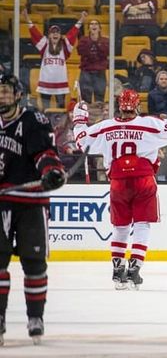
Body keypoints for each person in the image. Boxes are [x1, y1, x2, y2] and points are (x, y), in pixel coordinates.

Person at [73, 86, 167, 290]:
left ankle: (118, 270)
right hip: (143, 179)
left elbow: (81, 143)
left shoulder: (105, 127)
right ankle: (135, 268)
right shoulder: (149, 124)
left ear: (119, 105)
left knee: (121, 226)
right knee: (142, 224)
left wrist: (80, 120)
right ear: (137, 105)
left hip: (118, 181)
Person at [0, 74, 66, 345]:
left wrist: (52, 172)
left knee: (34, 263)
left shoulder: (33, 121)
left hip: (32, 202)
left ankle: (35, 317)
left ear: (17, 95)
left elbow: (45, 155)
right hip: (1, 203)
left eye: (5, 91)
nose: (2, 95)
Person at [24, 9, 86, 109]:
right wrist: (27, 18)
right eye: (52, 32)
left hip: (60, 86)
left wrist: (82, 19)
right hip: (45, 85)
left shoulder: (65, 46)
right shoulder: (44, 44)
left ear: (60, 35)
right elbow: (34, 31)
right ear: (49, 35)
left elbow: (73, 32)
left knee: (60, 110)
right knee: (45, 109)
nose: (55, 34)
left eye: (57, 32)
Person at [77, 19, 109, 103]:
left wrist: (97, 42)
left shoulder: (105, 41)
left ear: (100, 28)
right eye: (91, 24)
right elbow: (80, 52)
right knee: (85, 99)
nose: (94, 25)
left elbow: (105, 53)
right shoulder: (83, 40)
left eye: (96, 24)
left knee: (99, 99)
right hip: (86, 72)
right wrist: (91, 41)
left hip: (100, 72)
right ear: (88, 28)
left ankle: (98, 116)